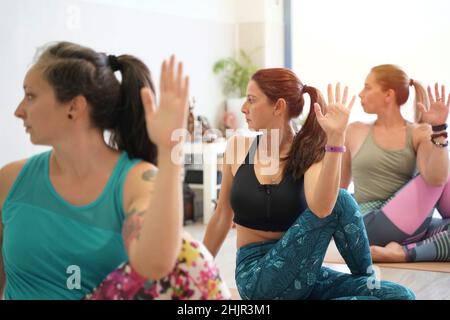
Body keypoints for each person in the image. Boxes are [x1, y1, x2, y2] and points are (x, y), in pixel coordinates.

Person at [0, 41, 230, 300]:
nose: (18, 111)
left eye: (30, 96)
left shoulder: (136, 181)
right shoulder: (10, 180)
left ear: (74, 107)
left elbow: (155, 264)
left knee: (190, 252)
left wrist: (168, 153)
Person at [203, 67, 415, 300]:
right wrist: (198, 272)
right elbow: (222, 215)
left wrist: (335, 140)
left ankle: (364, 280)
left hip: (303, 274)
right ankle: (364, 280)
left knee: (400, 295)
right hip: (257, 278)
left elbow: (323, 208)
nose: (244, 108)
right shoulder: (238, 147)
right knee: (343, 198)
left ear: (278, 106)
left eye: (251, 100)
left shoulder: (309, 153)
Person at [341, 64, 450, 262]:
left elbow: (437, 178)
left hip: (411, 226)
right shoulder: (354, 131)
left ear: (388, 95)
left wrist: (438, 129)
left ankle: (402, 253)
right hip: (368, 224)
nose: (360, 94)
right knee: (441, 163)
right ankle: (404, 250)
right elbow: (339, 188)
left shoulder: (419, 132)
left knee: (440, 158)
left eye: (367, 87)